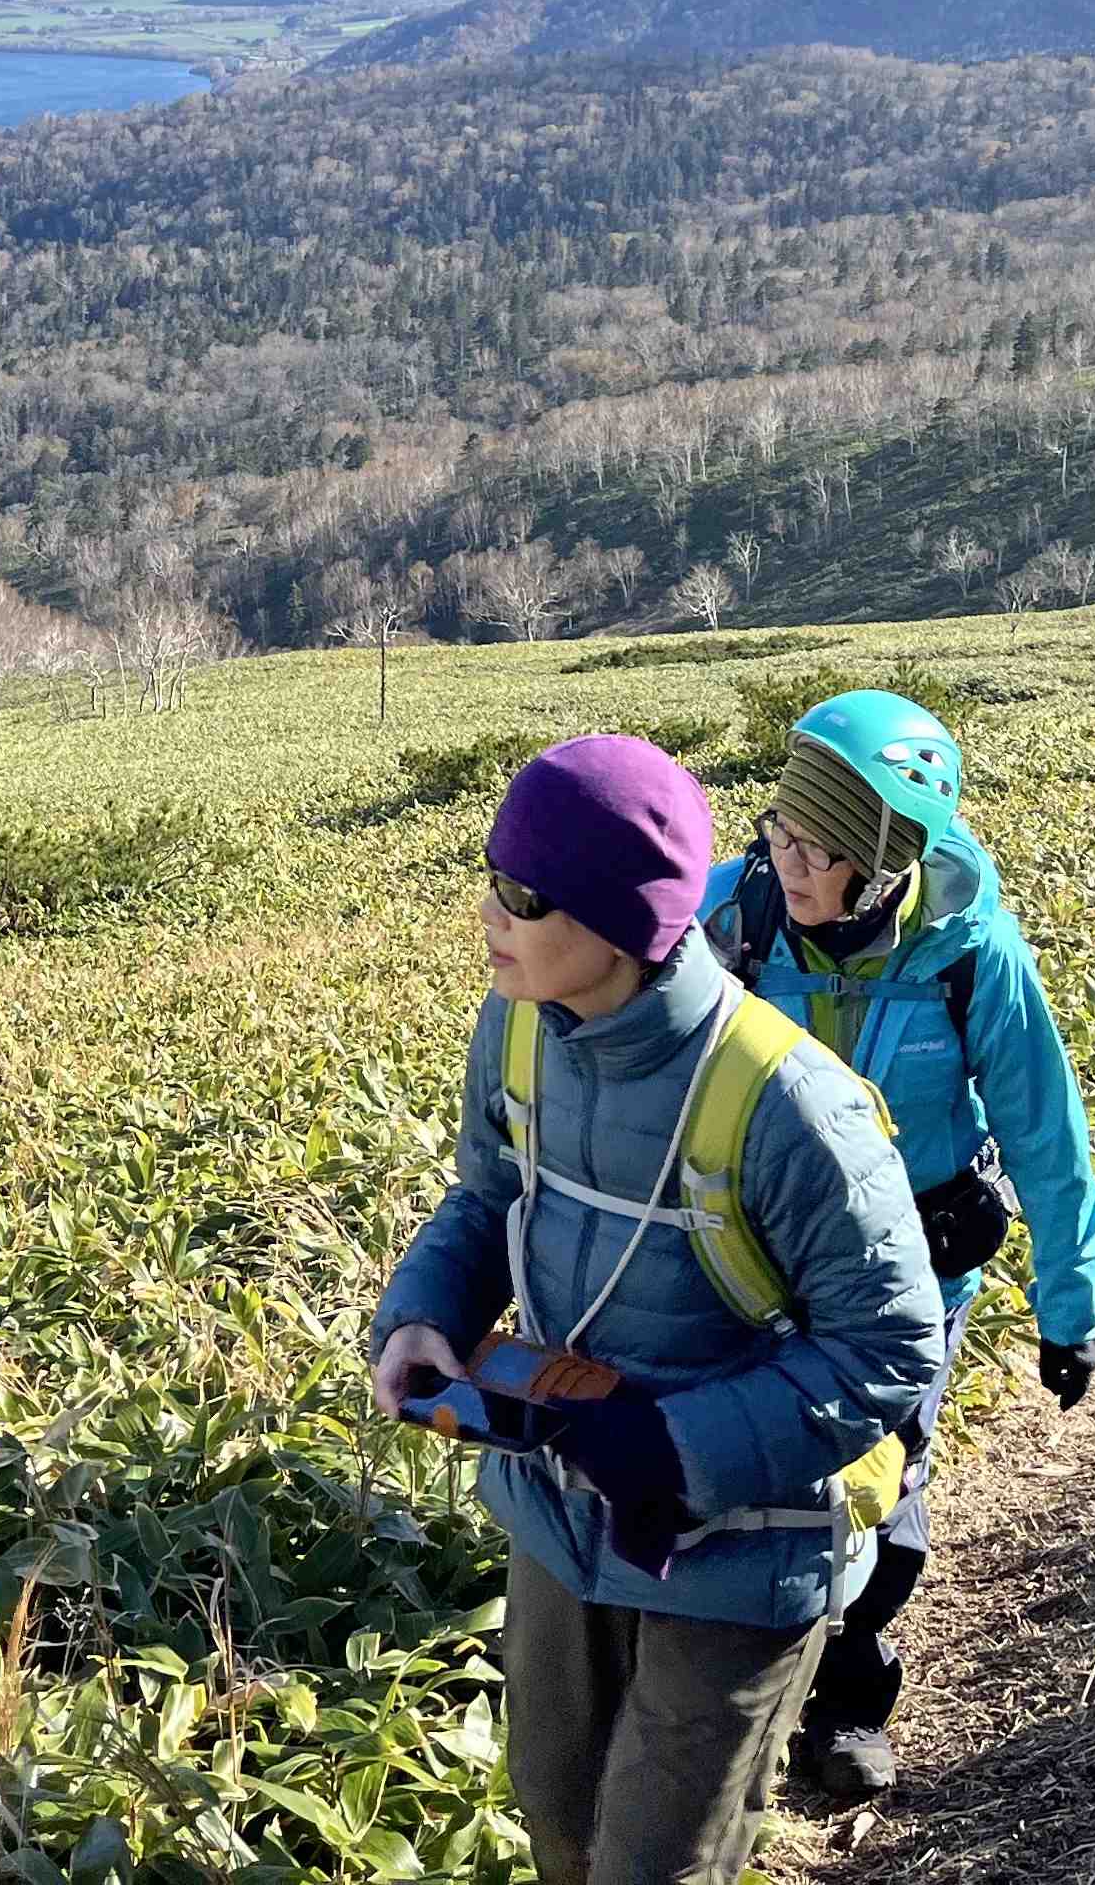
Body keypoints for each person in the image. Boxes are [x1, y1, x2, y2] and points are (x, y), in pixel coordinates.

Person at [371, 734, 945, 1885]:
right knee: (560, 1822)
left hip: (744, 1547)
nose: (490, 914)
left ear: (622, 922)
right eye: (492, 878)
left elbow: (892, 1348)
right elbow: (487, 1197)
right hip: (558, 1510)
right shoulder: (520, 1022)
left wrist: (676, 1448)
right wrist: (425, 1314)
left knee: (655, 1864)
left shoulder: (792, 1105)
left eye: (524, 895)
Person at [695, 692, 1095, 1800]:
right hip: (760, 1252)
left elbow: (1043, 1129)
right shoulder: (734, 918)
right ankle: (734, 1689)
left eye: (817, 848)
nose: (787, 862)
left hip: (915, 1262)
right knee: (750, 1460)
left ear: (884, 861)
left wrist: (1072, 1305)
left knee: (884, 1475)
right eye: (780, 832)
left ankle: (848, 1700)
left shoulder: (970, 953)